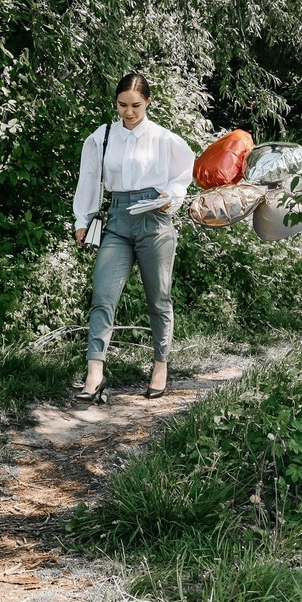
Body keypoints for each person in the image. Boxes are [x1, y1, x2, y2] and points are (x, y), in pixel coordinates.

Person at [73, 72, 193, 402]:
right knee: (103, 295)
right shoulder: (103, 137)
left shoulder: (163, 138)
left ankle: (160, 364)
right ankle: (95, 372)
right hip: (117, 221)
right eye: (122, 105)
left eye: (136, 105)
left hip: (154, 220)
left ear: (149, 102)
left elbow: (184, 175)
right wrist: (81, 219)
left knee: (158, 298)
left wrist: (172, 195)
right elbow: (89, 178)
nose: (129, 112)